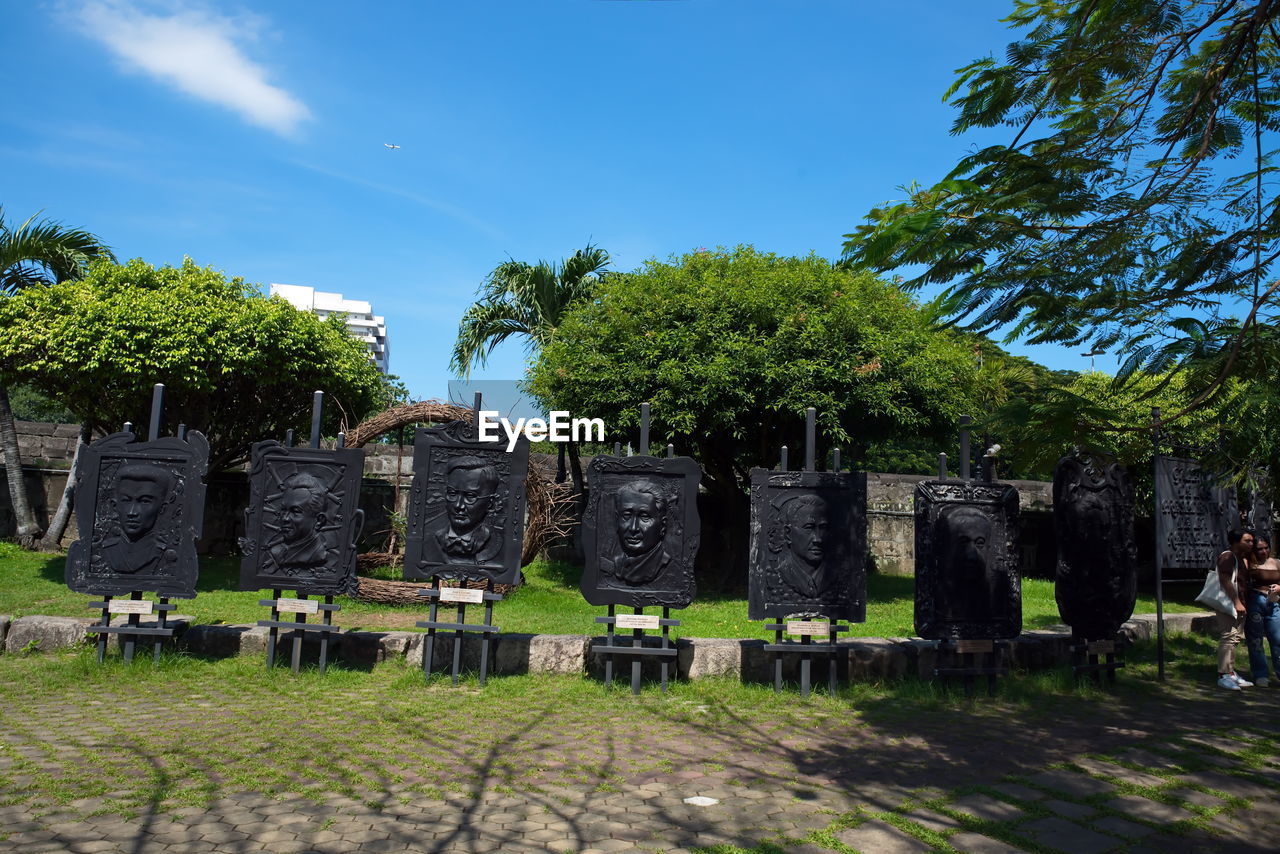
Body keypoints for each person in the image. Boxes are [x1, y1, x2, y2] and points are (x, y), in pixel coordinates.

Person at [423, 456, 503, 565]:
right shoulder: (429, 543)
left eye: (470, 496)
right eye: (452, 494)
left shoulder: (499, 545)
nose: (458, 505)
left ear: (490, 503)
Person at [98, 462, 174, 575]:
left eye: (144, 501)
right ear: (115, 506)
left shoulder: (164, 554)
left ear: (162, 508)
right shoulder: (105, 549)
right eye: (126, 500)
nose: (132, 512)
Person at [600, 481, 671, 586]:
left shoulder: (664, 563)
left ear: (662, 525)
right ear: (616, 520)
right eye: (627, 516)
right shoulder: (616, 561)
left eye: (645, 517)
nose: (633, 528)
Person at [1215, 527, 1255, 690]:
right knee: (1228, 636)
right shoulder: (1228, 556)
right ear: (1236, 542)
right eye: (1247, 540)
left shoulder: (1240, 558)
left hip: (1240, 603)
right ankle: (1223, 675)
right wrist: (1236, 601)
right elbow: (1225, 580)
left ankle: (1230, 672)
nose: (1251, 543)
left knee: (1235, 638)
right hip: (1230, 603)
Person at [266, 472, 331, 574]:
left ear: (319, 520)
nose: (285, 518)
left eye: (295, 511)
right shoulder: (276, 551)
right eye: (283, 510)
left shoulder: (318, 555)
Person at [771, 494, 833, 600]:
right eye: (808, 528)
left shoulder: (835, 576)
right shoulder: (778, 574)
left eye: (823, 528)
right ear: (788, 534)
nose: (818, 539)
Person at [1245, 534, 1280, 687]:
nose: (1264, 551)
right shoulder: (1248, 563)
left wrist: (1279, 588)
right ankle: (1260, 674)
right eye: (1260, 549)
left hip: (1274, 603)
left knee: (1278, 639)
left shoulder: (1277, 562)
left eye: (1266, 548)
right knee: (1256, 640)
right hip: (1255, 601)